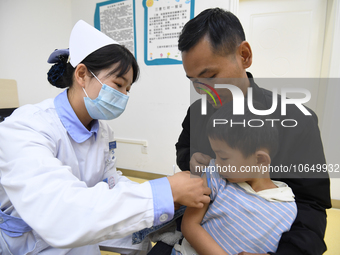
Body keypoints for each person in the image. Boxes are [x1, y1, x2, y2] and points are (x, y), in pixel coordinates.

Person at [0, 20, 210, 255]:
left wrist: (165, 196)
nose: (123, 96)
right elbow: (58, 212)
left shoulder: (103, 132)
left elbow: (109, 181)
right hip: (31, 241)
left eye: (128, 90)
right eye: (118, 85)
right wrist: (163, 192)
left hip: (81, 226)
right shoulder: (26, 127)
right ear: (82, 74)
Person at [174, 7, 331, 255]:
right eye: (194, 81)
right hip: (194, 235)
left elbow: (311, 204)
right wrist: (191, 160)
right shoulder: (198, 112)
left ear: (244, 55)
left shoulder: (297, 120)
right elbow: (182, 149)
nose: (203, 90)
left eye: (210, 75)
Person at [172, 101, 297, 255]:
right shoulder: (215, 175)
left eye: (223, 157)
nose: (216, 162)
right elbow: (190, 225)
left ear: (260, 160)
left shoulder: (286, 208)